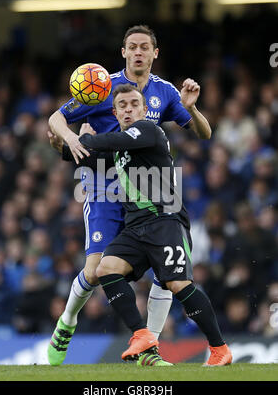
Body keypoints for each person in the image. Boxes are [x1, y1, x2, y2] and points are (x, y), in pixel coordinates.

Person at [47, 24, 211, 366]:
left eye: (144, 47)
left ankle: (148, 351)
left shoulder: (165, 92)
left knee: (167, 274)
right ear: (123, 52)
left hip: (148, 189)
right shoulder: (100, 85)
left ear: (154, 53)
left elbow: (203, 133)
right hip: (104, 185)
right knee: (94, 272)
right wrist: (71, 139)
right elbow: (56, 118)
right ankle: (67, 322)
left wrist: (192, 108)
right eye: (132, 47)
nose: (138, 52)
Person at [75, 83, 232, 366]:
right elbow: (85, 154)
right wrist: (63, 141)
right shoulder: (121, 149)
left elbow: (108, 143)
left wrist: (85, 139)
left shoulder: (149, 131)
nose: (128, 109)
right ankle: (141, 334)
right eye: (122, 106)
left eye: (134, 104)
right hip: (136, 227)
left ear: (145, 110)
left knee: (178, 285)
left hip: (165, 220)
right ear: (115, 112)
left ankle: (220, 348)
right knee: (106, 269)